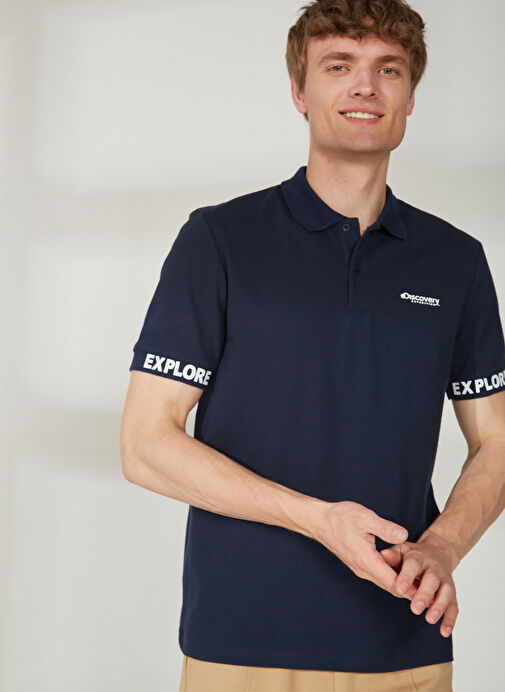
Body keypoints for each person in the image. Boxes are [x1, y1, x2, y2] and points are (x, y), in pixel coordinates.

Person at [120, 1, 505, 690]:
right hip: (241, 644)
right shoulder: (220, 241)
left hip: (404, 640)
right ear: (299, 92)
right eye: (338, 66)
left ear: (410, 97)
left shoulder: (455, 261)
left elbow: (497, 440)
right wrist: (319, 521)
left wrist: (443, 549)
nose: (365, 86)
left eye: (388, 69)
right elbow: (145, 445)